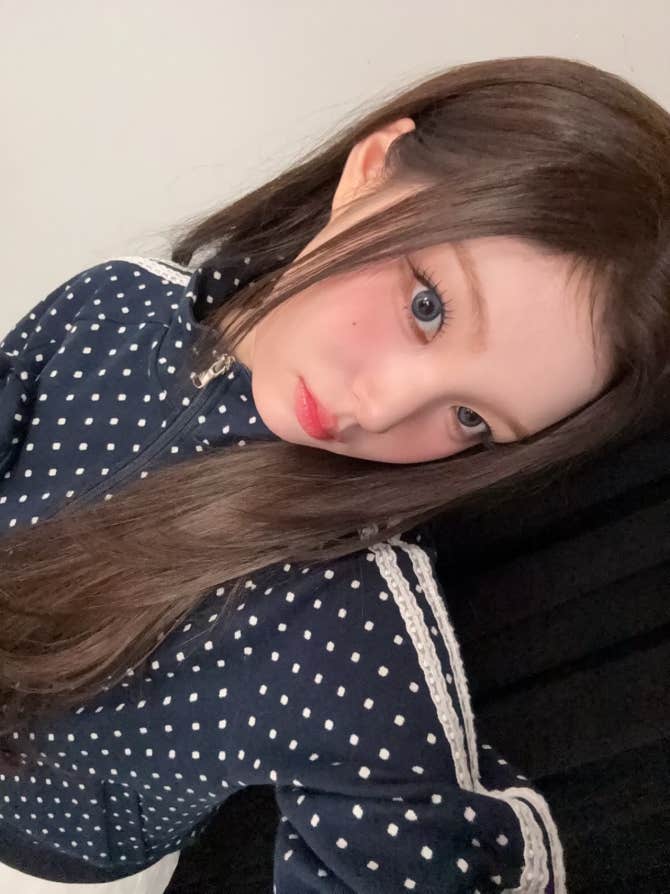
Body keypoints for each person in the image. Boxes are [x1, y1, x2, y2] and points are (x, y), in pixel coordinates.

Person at [0, 54, 668, 893]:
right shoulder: (115, 303)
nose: (381, 409)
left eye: (471, 418)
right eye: (427, 306)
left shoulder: (347, 615)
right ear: (371, 168)